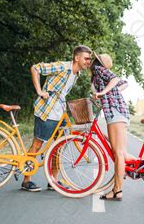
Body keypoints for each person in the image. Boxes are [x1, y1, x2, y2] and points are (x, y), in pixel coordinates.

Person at [21, 45, 92, 192]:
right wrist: (40, 91)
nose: (88, 61)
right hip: (47, 111)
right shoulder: (61, 67)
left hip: (60, 113)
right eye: (86, 58)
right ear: (76, 58)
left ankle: (53, 181)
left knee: (59, 145)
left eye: (89, 59)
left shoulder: (76, 75)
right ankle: (26, 180)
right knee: (37, 144)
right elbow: (35, 68)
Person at [91, 53, 144, 201]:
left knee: (118, 154)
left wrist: (103, 93)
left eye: (90, 59)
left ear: (97, 62)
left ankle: (117, 191)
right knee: (121, 153)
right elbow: (123, 83)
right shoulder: (97, 75)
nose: (89, 61)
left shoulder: (99, 70)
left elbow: (117, 79)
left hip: (116, 112)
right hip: (114, 112)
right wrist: (107, 94)